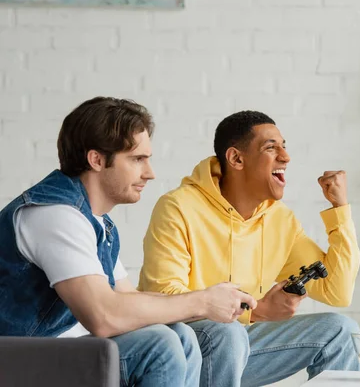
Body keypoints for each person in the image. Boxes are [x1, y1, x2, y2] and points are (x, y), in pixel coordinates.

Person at [0, 97, 256, 387]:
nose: (150, 173)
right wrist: (202, 302)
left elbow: (126, 299)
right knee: (159, 345)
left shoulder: (96, 222)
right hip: (17, 359)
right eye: (137, 159)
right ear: (96, 160)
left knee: (183, 335)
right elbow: (104, 316)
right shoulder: (55, 216)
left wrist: (210, 299)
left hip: (59, 353)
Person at [139, 110, 360, 387]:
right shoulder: (178, 207)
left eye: (284, 146)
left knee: (341, 330)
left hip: (241, 345)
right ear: (236, 158)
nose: (285, 156)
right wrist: (255, 313)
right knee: (228, 333)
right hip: (185, 350)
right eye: (271, 147)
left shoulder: (281, 220)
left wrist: (339, 210)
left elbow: (337, 292)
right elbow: (163, 297)